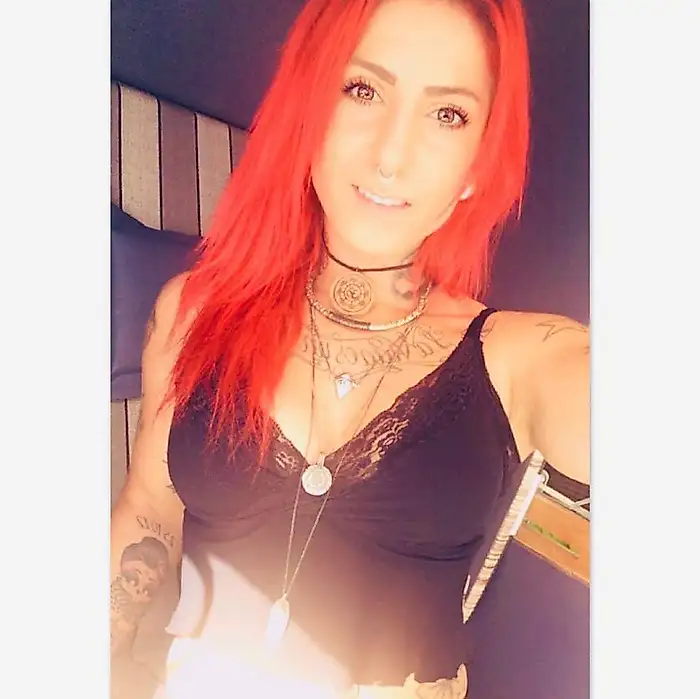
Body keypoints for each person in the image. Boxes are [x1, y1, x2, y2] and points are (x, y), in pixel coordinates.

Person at [110, 0, 590, 696]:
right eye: (362, 89)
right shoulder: (194, 313)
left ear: (477, 164)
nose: (391, 156)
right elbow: (149, 513)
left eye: (447, 114)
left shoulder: (523, 359)